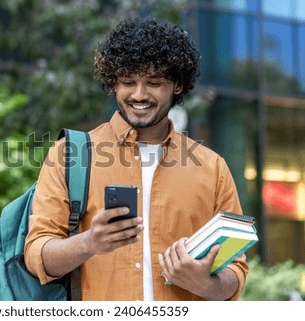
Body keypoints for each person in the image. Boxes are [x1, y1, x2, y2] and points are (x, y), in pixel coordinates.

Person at [24, 16, 248, 301]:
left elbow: (236, 268)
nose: (139, 94)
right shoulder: (71, 154)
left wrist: (206, 284)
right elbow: (37, 255)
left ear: (177, 85)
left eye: (154, 82)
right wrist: (90, 242)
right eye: (128, 81)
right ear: (114, 84)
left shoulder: (212, 167)